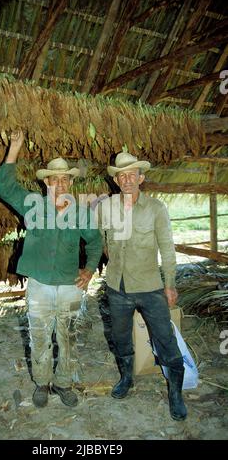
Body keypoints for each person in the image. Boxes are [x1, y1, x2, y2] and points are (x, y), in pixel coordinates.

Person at [0, 130, 102, 408]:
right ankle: (42, 382)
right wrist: (15, 148)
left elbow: (94, 242)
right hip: (40, 285)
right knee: (40, 336)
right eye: (55, 178)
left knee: (68, 338)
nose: (61, 183)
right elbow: (3, 187)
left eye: (65, 178)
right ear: (46, 183)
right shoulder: (33, 205)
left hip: (69, 286)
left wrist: (89, 270)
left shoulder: (81, 212)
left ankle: (64, 383)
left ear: (71, 182)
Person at [99, 152, 187, 421]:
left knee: (166, 339)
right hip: (117, 287)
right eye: (121, 175)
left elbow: (167, 250)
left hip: (150, 287)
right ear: (116, 180)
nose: (127, 179)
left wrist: (169, 284)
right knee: (121, 338)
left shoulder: (156, 209)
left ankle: (176, 394)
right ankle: (126, 378)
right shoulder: (106, 207)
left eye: (132, 175)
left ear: (141, 178)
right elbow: (103, 241)